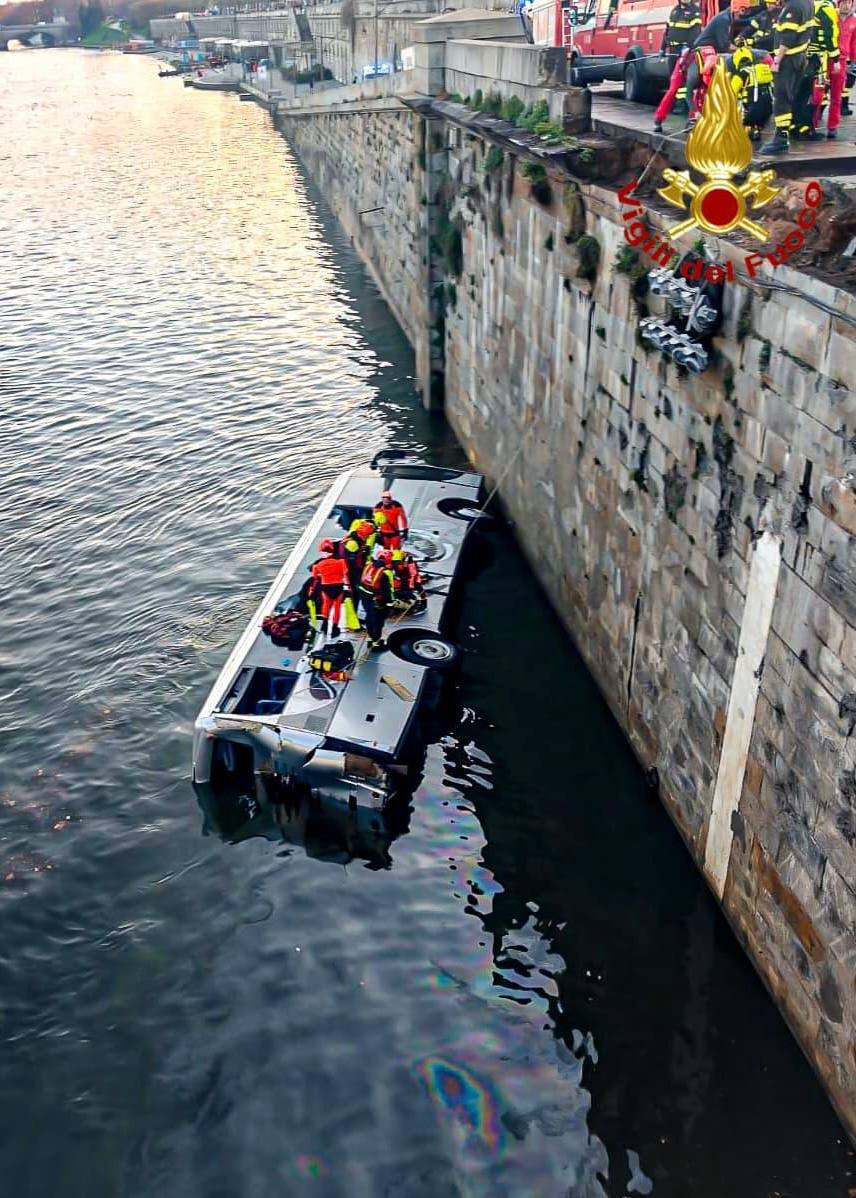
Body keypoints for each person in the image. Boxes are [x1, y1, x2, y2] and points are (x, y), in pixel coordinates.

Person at [761, 0, 816, 152]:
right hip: (799, 57)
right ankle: (785, 133)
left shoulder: (793, 6)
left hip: (788, 59)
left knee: (781, 97)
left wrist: (777, 60)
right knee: (789, 96)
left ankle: (780, 139)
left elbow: (787, 37)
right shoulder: (808, 3)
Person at [661, 0, 703, 109]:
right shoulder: (675, 10)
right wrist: (662, 49)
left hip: (684, 51)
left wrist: (688, 47)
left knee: (682, 79)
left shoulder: (694, 11)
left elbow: (695, 33)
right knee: (673, 78)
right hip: (672, 50)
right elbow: (667, 30)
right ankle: (675, 103)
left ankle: (681, 105)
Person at [728, 44, 776, 136]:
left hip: (751, 110)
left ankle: (748, 130)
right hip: (768, 109)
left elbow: (732, 90)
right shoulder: (763, 70)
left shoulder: (743, 72)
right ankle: (756, 129)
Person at [310, 538, 350, 638]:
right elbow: (345, 575)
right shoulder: (341, 562)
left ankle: (324, 624)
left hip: (326, 587)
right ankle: (335, 628)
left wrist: (312, 589)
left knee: (326, 605)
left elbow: (315, 577)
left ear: (323, 552)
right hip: (338, 587)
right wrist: (348, 587)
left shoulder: (318, 565)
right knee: (337, 607)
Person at [359, 550, 396, 651]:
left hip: (365, 597)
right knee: (378, 622)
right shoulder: (383, 574)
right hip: (376, 601)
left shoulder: (368, 566)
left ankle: (370, 638)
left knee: (369, 618)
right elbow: (387, 592)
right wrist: (390, 605)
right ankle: (376, 643)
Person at [840, 0, 856, 112]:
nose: (846, 6)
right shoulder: (833, 18)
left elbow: (854, 42)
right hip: (834, 57)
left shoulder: (854, 21)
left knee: (849, 82)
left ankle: (844, 105)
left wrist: (854, 60)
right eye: (843, 3)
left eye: (849, 3)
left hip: (849, 57)